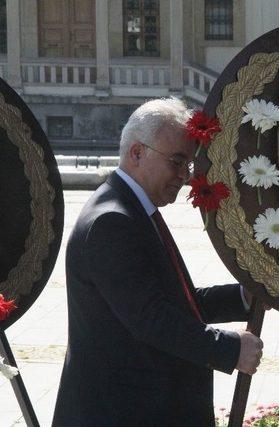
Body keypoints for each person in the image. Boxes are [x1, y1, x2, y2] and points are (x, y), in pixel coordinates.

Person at [53, 98, 263, 426]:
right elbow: (152, 319)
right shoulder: (112, 221)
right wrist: (228, 349)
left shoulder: (132, 209)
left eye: (189, 166)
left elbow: (174, 302)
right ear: (137, 152)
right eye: (177, 162)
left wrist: (241, 297)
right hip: (120, 413)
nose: (184, 175)